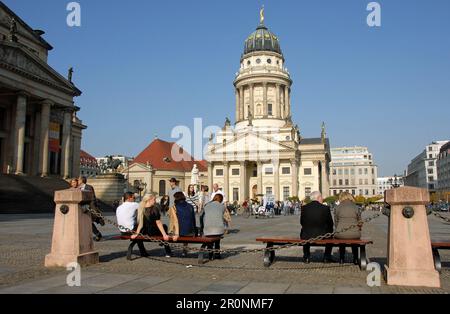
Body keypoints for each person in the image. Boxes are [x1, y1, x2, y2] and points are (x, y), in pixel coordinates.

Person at [300, 191, 334, 263]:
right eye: (321, 197)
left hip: (307, 235)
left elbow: (302, 222)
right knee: (331, 233)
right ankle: (326, 257)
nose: (322, 198)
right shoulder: (325, 208)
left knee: (304, 233)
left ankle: (306, 256)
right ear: (318, 197)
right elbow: (330, 223)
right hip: (323, 235)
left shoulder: (304, 208)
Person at [116, 192, 148, 257]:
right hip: (131, 231)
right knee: (143, 224)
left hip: (122, 231)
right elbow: (146, 206)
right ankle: (143, 252)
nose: (135, 199)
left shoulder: (119, 207)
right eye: (134, 197)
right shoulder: (134, 204)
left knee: (137, 226)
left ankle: (143, 252)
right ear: (129, 198)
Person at [334, 192, 362, 265]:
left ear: (341, 198)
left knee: (341, 239)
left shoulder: (337, 207)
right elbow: (360, 221)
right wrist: (358, 228)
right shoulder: (356, 207)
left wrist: (338, 229)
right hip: (355, 233)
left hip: (340, 233)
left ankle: (341, 259)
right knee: (354, 239)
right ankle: (355, 259)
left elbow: (336, 222)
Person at [168, 192, 196, 257]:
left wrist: (177, 234)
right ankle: (184, 249)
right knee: (185, 226)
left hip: (180, 232)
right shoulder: (191, 206)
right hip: (190, 232)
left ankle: (168, 251)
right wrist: (194, 231)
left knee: (173, 224)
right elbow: (193, 219)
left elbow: (175, 221)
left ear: (176, 198)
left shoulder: (174, 207)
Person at [79, 176, 104, 242]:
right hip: (80, 207)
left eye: (79, 180)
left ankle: (97, 233)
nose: (78, 181)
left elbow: (93, 197)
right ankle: (96, 234)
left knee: (89, 222)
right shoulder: (78, 188)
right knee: (85, 222)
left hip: (88, 207)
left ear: (81, 180)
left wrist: (92, 207)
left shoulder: (89, 187)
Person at [201, 194, 226, 260]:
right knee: (217, 240)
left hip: (207, 229)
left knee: (210, 240)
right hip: (219, 229)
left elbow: (202, 216)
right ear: (221, 199)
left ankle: (210, 255)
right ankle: (217, 254)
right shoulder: (222, 206)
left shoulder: (206, 205)